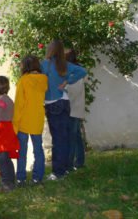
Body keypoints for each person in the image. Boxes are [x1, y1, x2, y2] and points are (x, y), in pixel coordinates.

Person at [41, 40, 87, 180]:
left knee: (58, 140)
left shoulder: (45, 64)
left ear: (49, 50)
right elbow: (82, 71)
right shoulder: (65, 65)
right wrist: (68, 81)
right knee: (64, 138)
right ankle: (65, 168)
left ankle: (58, 172)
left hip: (53, 103)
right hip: (65, 102)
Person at [13, 55, 48, 186]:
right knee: (38, 149)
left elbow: (19, 104)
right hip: (37, 118)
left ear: (25, 66)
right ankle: (37, 178)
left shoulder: (23, 81)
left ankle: (21, 178)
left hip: (23, 120)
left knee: (22, 151)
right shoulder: (44, 79)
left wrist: (14, 123)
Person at [65, 49, 86, 170]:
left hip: (72, 108)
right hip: (76, 108)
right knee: (76, 136)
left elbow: (71, 91)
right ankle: (79, 161)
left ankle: (69, 165)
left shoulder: (74, 73)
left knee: (72, 137)